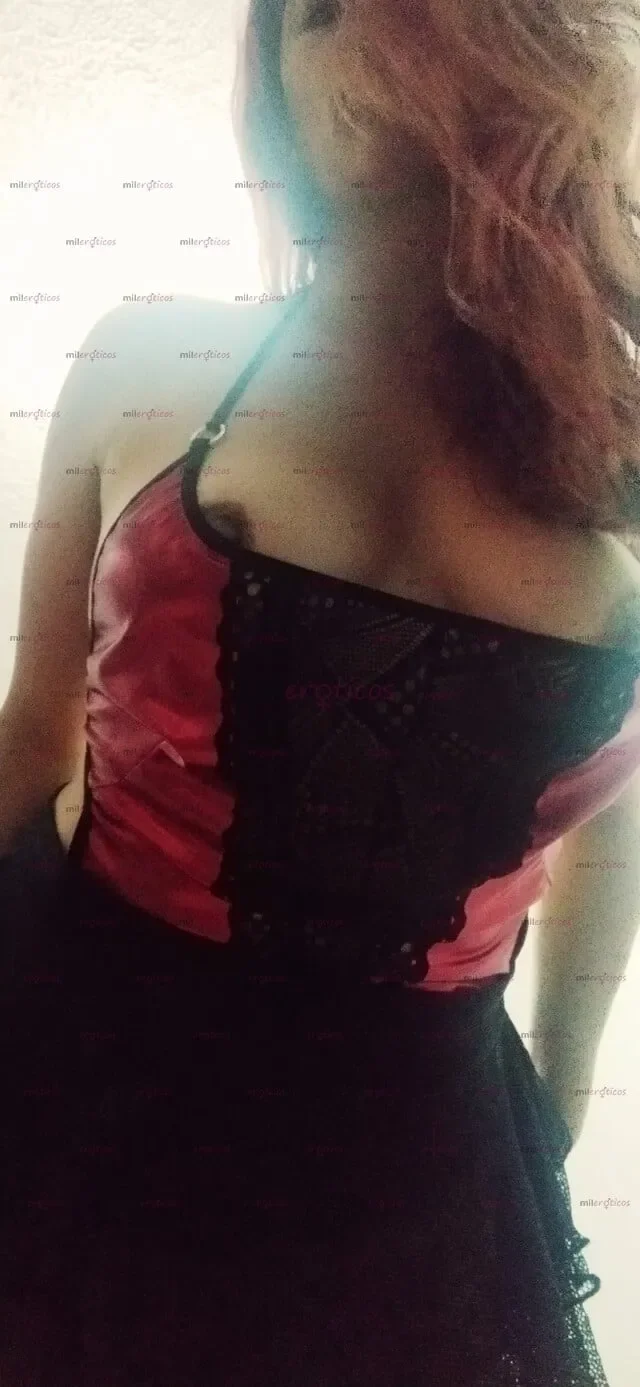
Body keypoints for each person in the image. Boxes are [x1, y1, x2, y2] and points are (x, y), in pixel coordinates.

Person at [2, 0, 640, 1381]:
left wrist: (560, 1080)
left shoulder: (621, 462)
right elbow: (31, 734)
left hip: (411, 1136)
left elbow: (611, 826)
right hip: (88, 1044)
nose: (345, 50)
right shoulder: (153, 359)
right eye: (312, 13)